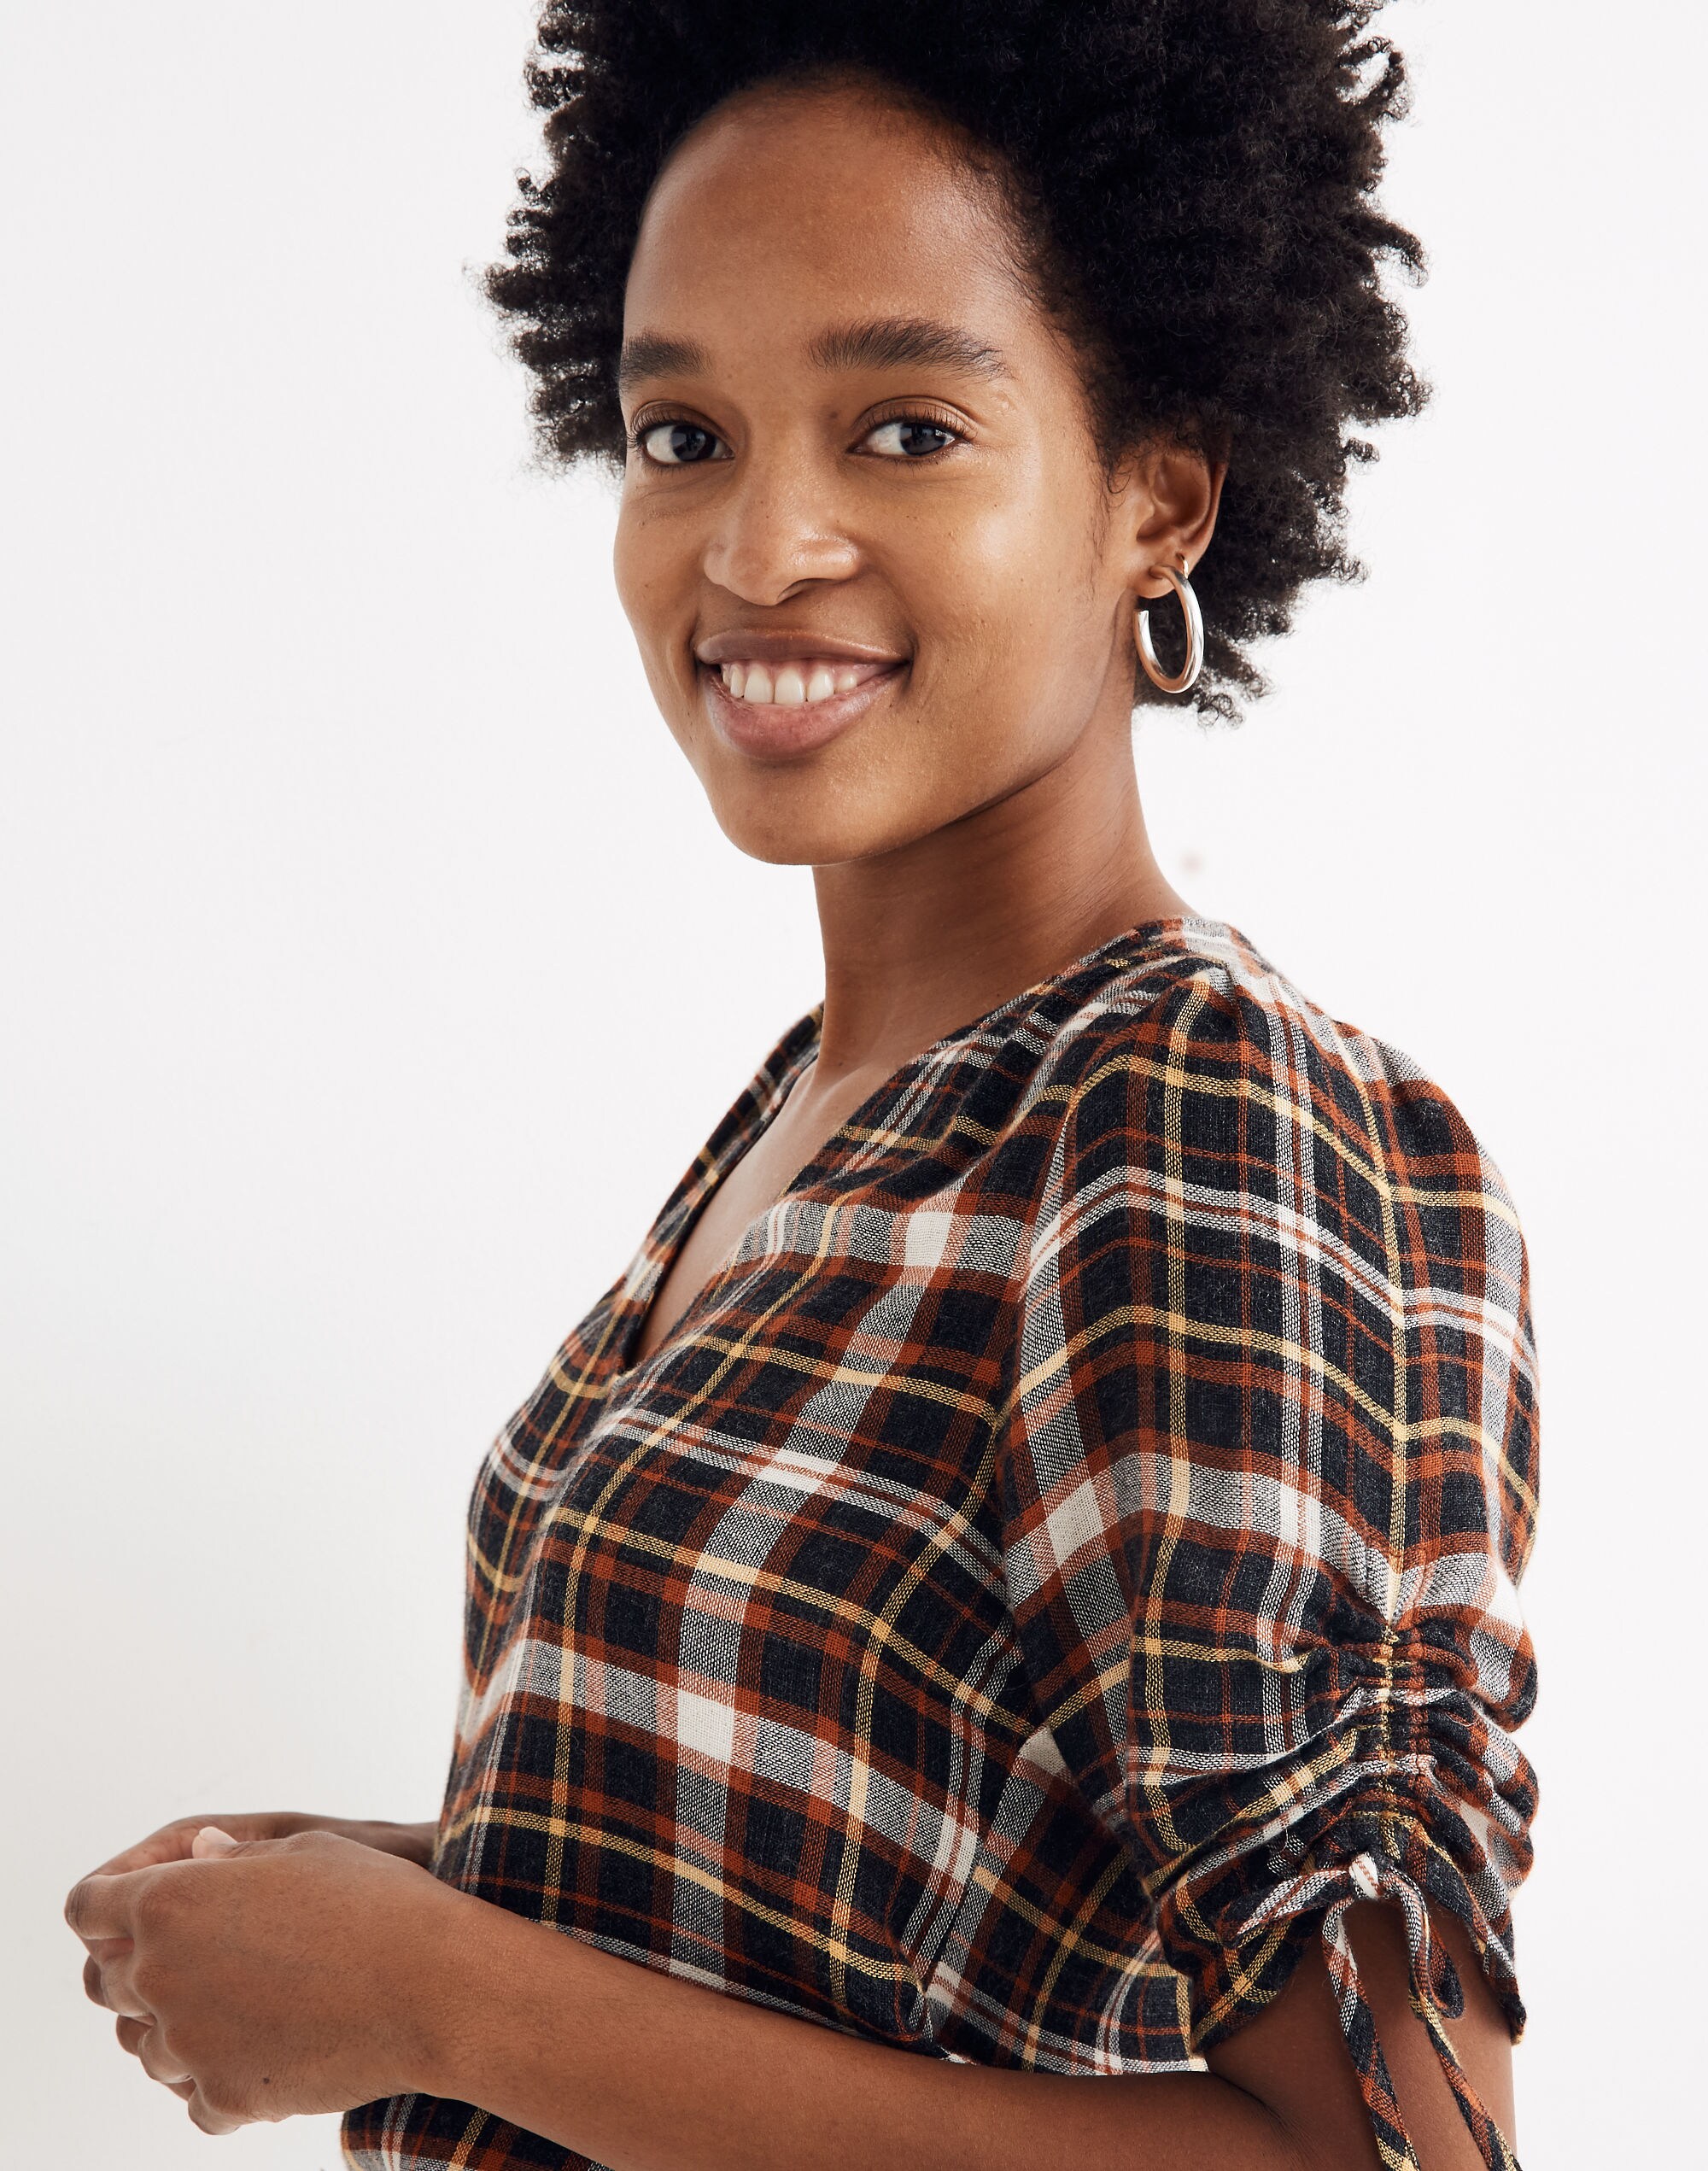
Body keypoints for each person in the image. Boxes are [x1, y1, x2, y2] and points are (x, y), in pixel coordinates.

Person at [65, 4, 1540, 2168]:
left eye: (906, 429)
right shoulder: (833, 1106)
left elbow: (1393, 2151)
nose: (758, 548)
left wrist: (445, 1996)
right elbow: (914, 1902)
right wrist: (434, 1887)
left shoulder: (1190, 1113)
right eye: (682, 435)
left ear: (1157, 499)